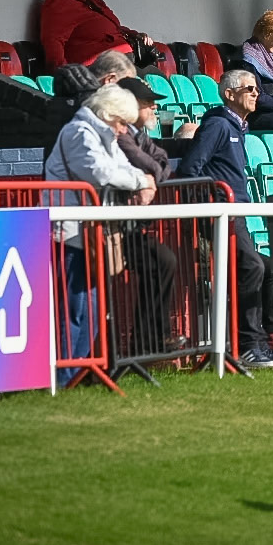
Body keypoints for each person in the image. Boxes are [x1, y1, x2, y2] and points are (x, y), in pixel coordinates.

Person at [179, 70, 273, 368]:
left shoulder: (237, 127)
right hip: (222, 213)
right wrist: (212, 205)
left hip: (236, 213)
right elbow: (191, 169)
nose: (256, 93)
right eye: (250, 88)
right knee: (252, 267)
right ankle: (247, 344)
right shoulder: (217, 125)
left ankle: (272, 337)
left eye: (257, 89)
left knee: (272, 267)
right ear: (230, 94)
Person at [43, 83, 154, 385]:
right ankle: (64, 377)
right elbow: (100, 172)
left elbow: (117, 166)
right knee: (75, 308)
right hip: (68, 234)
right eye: (122, 123)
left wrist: (139, 179)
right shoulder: (79, 133)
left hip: (87, 233)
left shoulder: (101, 134)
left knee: (91, 307)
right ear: (108, 114)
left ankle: (78, 373)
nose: (123, 130)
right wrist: (141, 180)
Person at [110, 78, 183, 356]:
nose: (154, 106)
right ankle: (147, 341)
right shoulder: (122, 134)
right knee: (163, 261)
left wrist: (152, 176)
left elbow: (159, 160)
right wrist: (152, 173)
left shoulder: (140, 135)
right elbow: (147, 162)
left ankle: (149, 340)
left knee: (163, 262)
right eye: (146, 102)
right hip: (114, 226)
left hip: (130, 225)